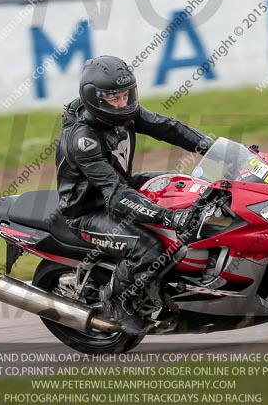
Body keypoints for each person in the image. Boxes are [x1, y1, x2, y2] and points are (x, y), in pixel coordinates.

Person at [55, 55, 212, 335]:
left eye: (126, 95)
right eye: (113, 98)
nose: (122, 103)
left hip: (119, 185)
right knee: (148, 249)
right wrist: (169, 217)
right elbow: (115, 196)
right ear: (95, 98)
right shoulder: (83, 139)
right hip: (90, 210)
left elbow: (168, 127)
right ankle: (116, 299)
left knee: (186, 187)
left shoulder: (124, 111)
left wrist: (210, 146)